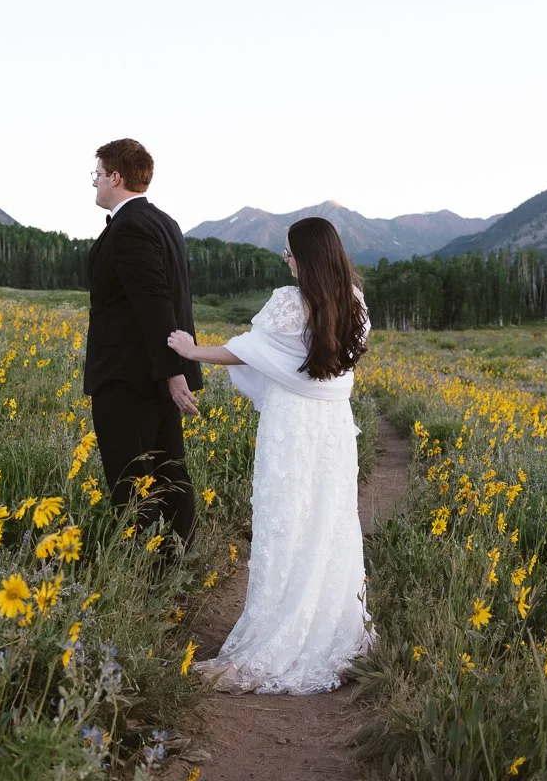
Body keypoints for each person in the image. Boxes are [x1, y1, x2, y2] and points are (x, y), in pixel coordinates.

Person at [165, 216, 374, 694]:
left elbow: (246, 352)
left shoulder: (288, 302)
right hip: (333, 428)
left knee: (287, 521)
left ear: (307, 259)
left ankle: (279, 633)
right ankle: (333, 628)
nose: (287, 263)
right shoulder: (356, 304)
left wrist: (191, 351)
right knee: (329, 521)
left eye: (289, 254)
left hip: (292, 425)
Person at [84, 138, 202, 567]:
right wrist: (174, 372)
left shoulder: (130, 227)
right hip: (155, 374)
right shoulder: (164, 221)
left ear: (115, 177)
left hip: (129, 379)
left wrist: (173, 372)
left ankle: (145, 573)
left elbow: (155, 303)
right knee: (170, 472)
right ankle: (176, 564)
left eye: (98, 174)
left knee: (130, 480)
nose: (94, 182)